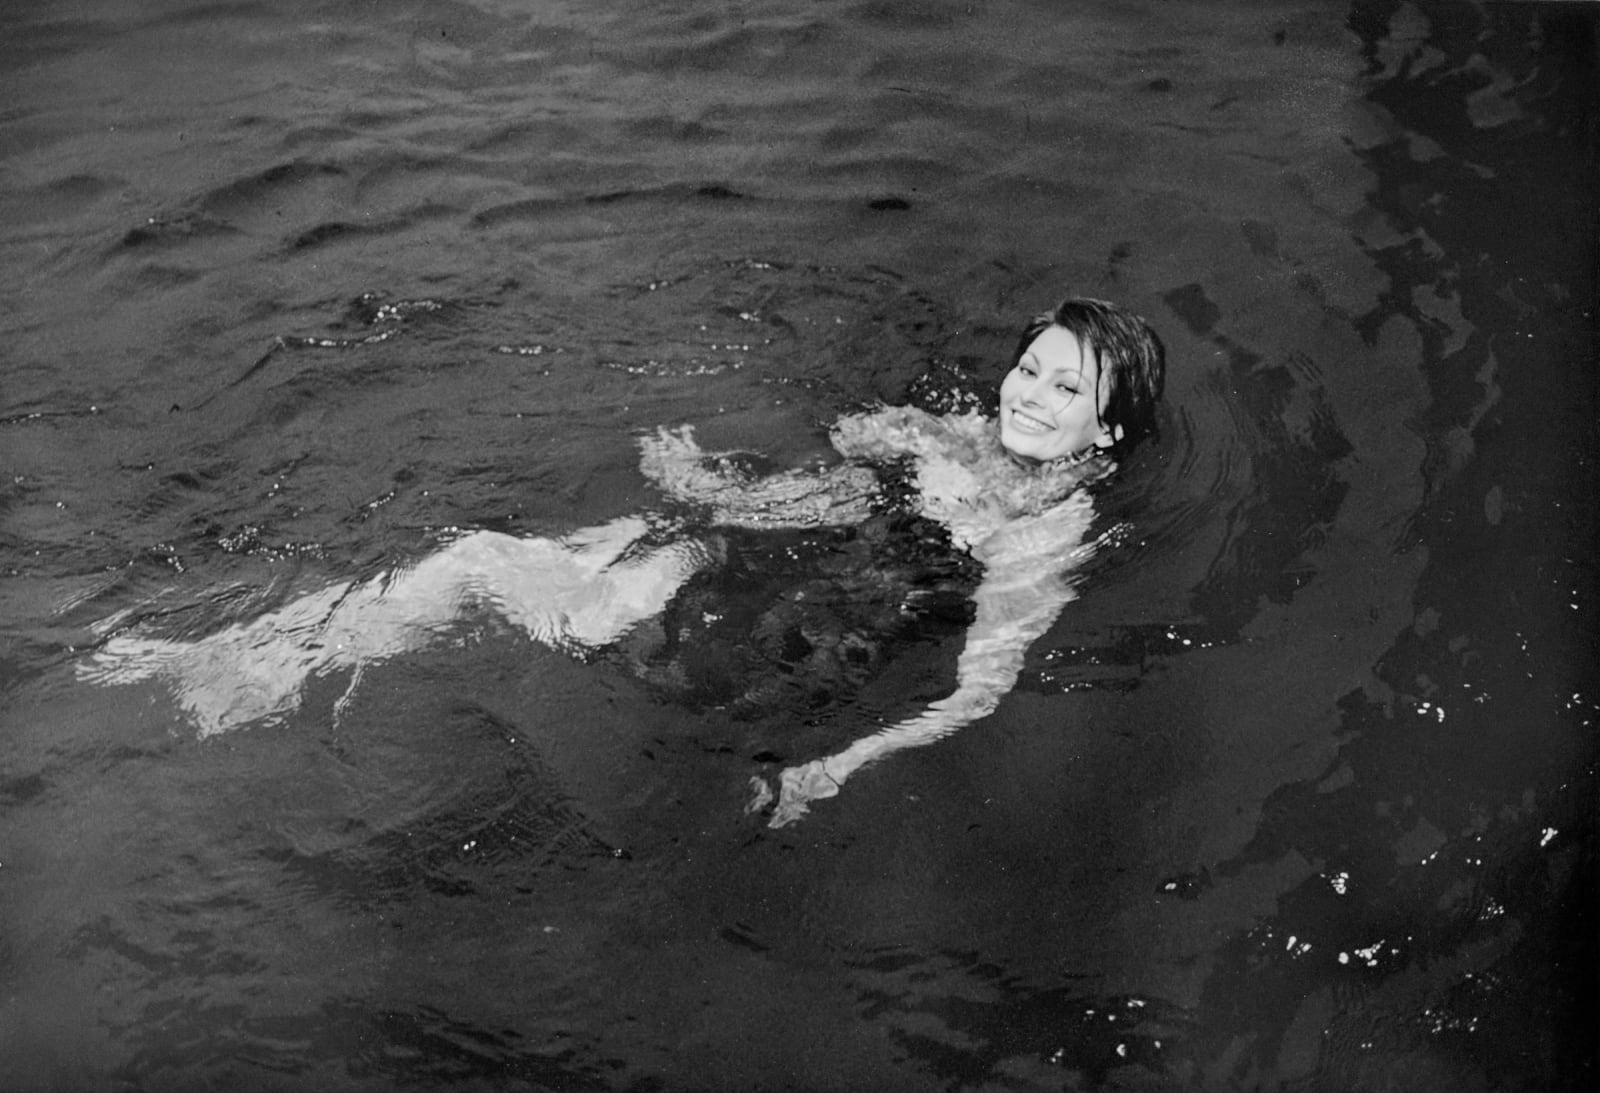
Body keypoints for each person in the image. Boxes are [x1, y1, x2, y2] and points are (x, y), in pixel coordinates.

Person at [79, 295, 1165, 826]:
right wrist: (704, 487)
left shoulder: (1043, 532)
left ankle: (256, 661)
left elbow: (982, 689)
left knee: (508, 567)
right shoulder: (938, 434)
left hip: (768, 636)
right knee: (504, 554)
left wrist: (835, 770)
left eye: (1067, 388)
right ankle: (255, 654)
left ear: (1106, 433)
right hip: (744, 563)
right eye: (1029, 367)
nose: (1029, 393)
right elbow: (809, 492)